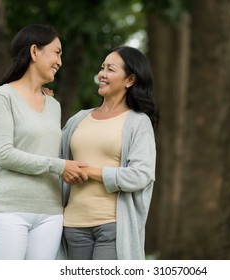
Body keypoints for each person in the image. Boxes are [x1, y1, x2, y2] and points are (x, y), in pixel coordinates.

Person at [0, 23, 88, 260]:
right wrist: (60, 166)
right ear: (34, 52)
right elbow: (2, 154)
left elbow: (48, 150)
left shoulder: (54, 105)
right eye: (57, 52)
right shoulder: (3, 96)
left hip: (50, 213)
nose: (60, 61)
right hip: (9, 210)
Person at [60, 46, 159, 260]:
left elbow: (141, 175)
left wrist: (90, 171)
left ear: (130, 80)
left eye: (110, 69)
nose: (102, 74)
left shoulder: (137, 123)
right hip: (72, 225)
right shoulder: (79, 119)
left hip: (112, 227)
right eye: (102, 67)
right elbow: (55, 159)